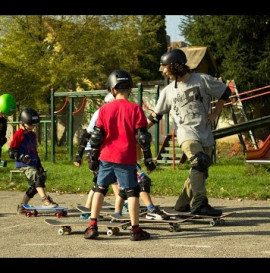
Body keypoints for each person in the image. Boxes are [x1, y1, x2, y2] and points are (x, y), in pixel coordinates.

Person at [147, 48, 232, 216]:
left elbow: (225, 91)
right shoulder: (168, 91)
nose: (163, 71)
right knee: (199, 162)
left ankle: (181, 204)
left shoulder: (202, 80)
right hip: (186, 133)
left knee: (200, 171)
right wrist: (138, 130)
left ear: (175, 66)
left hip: (204, 132)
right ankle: (200, 204)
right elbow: (155, 115)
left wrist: (216, 112)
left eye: (164, 67)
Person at [84, 69, 156, 241]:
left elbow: (96, 137)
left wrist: (93, 158)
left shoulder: (104, 110)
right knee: (132, 192)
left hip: (106, 156)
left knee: (100, 189)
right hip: (126, 157)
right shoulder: (135, 109)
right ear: (129, 89)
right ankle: (135, 230)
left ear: (112, 90)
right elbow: (143, 138)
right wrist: (148, 159)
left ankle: (92, 226)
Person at [73, 93, 119, 217]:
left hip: (103, 150)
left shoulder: (112, 112)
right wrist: (79, 155)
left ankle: (88, 209)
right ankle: (120, 204)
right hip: (93, 151)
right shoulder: (101, 112)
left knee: (102, 182)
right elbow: (87, 133)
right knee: (107, 180)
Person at [8, 107, 59, 213]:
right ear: (24, 123)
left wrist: (39, 164)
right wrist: (21, 157)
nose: (33, 127)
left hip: (33, 163)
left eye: (34, 125)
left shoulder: (32, 135)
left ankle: (22, 206)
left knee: (34, 186)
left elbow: (34, 151)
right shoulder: (19, 134)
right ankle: (45, 200)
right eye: (31, 125)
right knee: (38, 178)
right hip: (23, 164)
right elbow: (11, 151)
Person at [0, 94, 16, 167]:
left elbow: (3, 133)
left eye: (3, 114)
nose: (2, 115)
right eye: (1, 113)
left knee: (3, 140)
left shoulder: (3, 120)